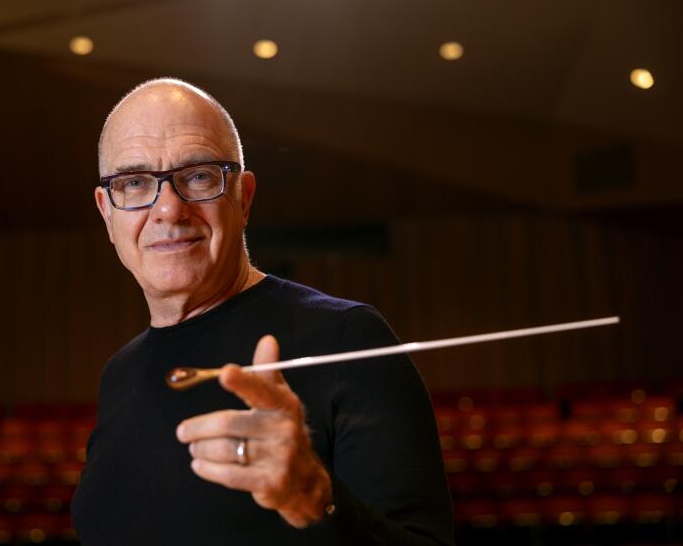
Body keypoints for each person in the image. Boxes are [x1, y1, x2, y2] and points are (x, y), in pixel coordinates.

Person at [70, 78, 454, 545]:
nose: (168, 208)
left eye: (198, 176)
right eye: (134, 182)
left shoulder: (349, 339)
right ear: (107, 213)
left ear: (244, 197)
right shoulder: (119, 374)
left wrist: (315, 500)